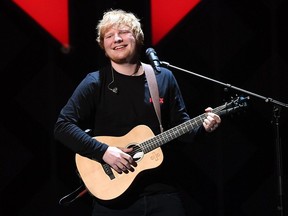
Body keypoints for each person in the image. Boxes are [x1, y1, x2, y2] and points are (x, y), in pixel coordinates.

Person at [54, 8, 221, 216]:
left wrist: (203, 127)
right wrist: (104, 151)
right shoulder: (95, 82)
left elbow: (185, 132)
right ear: (103, 46)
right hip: (113, 201)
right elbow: (62, 126)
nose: (117, 39)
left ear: (137, 37)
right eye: (109, 35)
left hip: (162, 193)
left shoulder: (163, 78)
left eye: (123, 32)